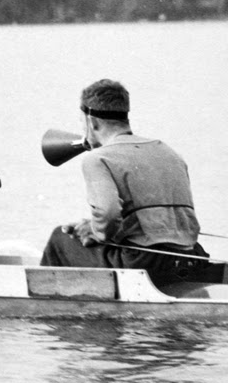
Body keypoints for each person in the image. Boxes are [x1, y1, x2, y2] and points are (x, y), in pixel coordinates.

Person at [40, 79, 208, 285]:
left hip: (144, 264)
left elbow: (108, 213)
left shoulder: (97, 158)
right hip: (191, 258)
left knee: (60, 239)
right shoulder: (168, 152)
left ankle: (52, 310)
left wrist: (95, 230)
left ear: (91, 122)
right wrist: (95, 227)